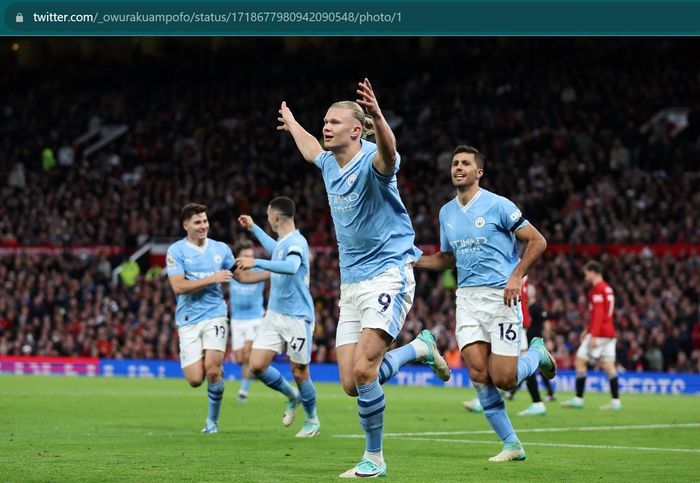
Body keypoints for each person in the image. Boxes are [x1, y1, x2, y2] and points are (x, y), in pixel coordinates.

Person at [278, 78, 450, 478]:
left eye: (334, 122)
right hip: (351, 283)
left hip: (389, 274)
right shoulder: (328, 163)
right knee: (351, 382)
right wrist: (292, 120)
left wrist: (377, 114)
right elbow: (309, 150)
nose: (327, 127)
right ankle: (420, 349)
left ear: (356, 130)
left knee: (363, 371)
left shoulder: (373, 160)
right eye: (325, 122)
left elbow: (391, 155)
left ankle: (374, 457)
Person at [415, 145, 554, 462]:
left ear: (479, 172)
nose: (459, 167)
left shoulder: (499, 205)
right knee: (478, 374)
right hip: (467, 299)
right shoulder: (446, 213)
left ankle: (537, 353)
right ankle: (512, 445)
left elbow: (538, 240)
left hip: (500, 297)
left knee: (504, 378)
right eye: (455, 163)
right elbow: (448, 258)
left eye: (466, 163)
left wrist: (517, 275)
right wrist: (416, 261)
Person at [236, 197, 321, 438]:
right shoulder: (284, 242)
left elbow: (292, 266)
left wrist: (256, 261)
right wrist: (253, 228)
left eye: (267, 215)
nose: (267, 218)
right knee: (257, 365)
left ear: (276, 216)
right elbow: (276, 251)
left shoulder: (297, 243)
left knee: (299, 371)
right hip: (274, 314)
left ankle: (312, 419)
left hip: (297, 317)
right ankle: (292, 395)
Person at [166, 203, 234, 434]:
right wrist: (212, 278)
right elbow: (178, 286)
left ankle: (212, 422)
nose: (203, 225)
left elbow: (238, 276)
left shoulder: (221, 249)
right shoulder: (176, 251)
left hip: (215, 314)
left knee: (213, 370)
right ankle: (210, 366)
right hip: (188, 319)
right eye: (198, 222)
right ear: (186, 226)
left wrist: (268, 270)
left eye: (205, 221)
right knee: (195, 379)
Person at [561, 260, 621, 411]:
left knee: (579, 361)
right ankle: (616, 402)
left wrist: (592, 334)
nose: (585, 276)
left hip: (599, 332)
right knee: (608, 366)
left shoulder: (598, 290)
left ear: (593, 272)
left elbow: (599, 313)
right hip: (609, 333)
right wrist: (587, 329)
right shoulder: (608, 288)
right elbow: (599, 314)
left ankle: (578, 399)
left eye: (586, 273)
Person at [229, 239, 266, 402]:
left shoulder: (261, 269)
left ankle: (243, 390)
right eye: (246, 256)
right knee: (239, 359)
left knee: (248, 354)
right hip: (236, 319)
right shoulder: (232, 271)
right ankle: (260, 368)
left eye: (252, 256)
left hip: (255, 318)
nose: (250, 259)